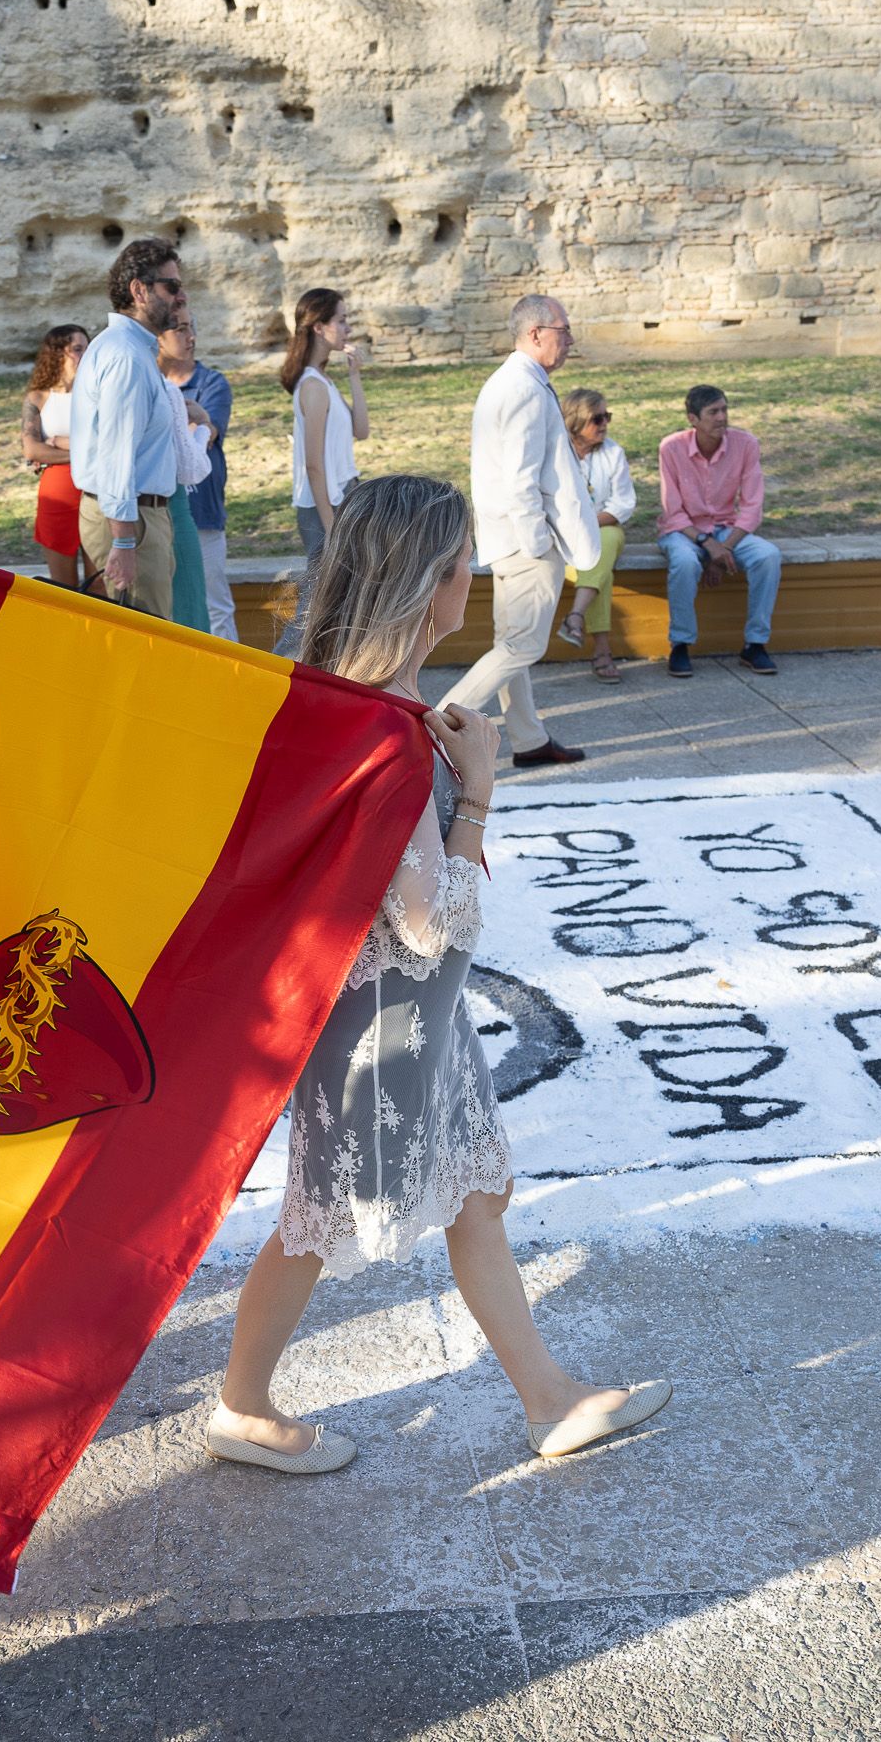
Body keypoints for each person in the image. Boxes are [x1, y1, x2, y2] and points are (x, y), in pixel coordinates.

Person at [208, 475, 670, 1474]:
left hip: (407, 1011)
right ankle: (242, 1403)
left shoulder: (350, 706)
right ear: (433, 583)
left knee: (471, 1196)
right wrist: (482, 793)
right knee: (321, 1218)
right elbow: (428, 920)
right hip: (385, 1015)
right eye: (467, 560)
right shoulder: (387, 734)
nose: (479, 574)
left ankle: (548, 1397)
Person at [451, 295, 600, 767]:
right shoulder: (522, 388)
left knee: (511, 644)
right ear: (536, 333)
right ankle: (432, 729)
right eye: (565, 328)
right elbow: (521, 479)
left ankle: (529, 740)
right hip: (524, 542)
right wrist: (538, 543)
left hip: (511, 538)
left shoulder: (517, 382)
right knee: (522, 647)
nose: (571, 339)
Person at [72, 238, 187, 618]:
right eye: (171, 286)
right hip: (130, 521)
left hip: (134, 517)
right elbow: (116, 453)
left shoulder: (127, 348)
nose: (180, 296)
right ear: (139, 290)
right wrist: (123, 541)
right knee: (148, 644)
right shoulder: (126, 356)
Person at [655, 384, 780, 677]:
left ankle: (755, 644)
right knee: (685, 562)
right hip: (683, 531)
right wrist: (707, 545)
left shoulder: (746, 444)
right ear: (693, 419)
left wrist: (723, 549)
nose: (722, 417)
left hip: (727, 530)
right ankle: (681, 644)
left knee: (768, 556)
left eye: (724, 409)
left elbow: (752, 508)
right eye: (713, 412)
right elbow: (672, 511)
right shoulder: (671, 447)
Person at [284, 287, 369, 569]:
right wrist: (331, 526)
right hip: (324, 505)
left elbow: (362, 430)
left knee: (339, 594)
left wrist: (354, 375)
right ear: (319, 327)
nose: (348, 327)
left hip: (342, 495)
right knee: (320, 594)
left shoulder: (323, 381)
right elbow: (313, 465)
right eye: (341, 320)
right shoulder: (312, 386)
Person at [553, 387, 634, 683]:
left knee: (607, 539)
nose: (604, 424)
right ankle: (601, 650)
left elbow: (623, 504)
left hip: (603, 530)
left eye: (607, 416)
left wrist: (587, 525)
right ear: (575, 421)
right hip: (562, 538)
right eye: (596, 418)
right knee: (603, 572)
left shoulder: (613, 452)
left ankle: (576, 616)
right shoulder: (555, 453)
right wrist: (575, 529)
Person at [164, 318, 238, 639]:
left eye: (192, 328)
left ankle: (231, 683)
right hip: (158, 513)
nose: (191, 337)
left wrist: (202, 422)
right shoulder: (148, 384)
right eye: (180, 330)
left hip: (201, 512)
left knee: (214, 604)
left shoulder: (212, 384)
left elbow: (205, 435)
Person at [21, 324, 91, 592]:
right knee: (64, 588)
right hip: (58, 496)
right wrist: (86, 452)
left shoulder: (98, 396)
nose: (84, 355)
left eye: (87, 348)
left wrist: (57, 448)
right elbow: (32, 450)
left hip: (95, 491)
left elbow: (110, 445)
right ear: (57, 353)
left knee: (101, 589)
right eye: (77, 349)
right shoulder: (38, 397)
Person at [162, 322, 218, 633]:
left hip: (139, 513)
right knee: (189, 615)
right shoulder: (167, 389)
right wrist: (205, 425)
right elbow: (192, 468)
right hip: (172, 507)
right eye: (180, 329)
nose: (191, 337)